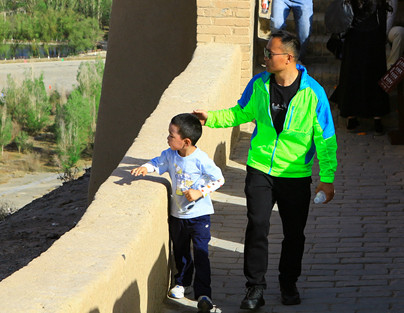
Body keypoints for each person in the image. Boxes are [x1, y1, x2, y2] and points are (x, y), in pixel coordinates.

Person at [193, 30, 337, 310]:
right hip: (260, 169)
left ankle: (288, 283)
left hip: (295, 175)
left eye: (270, 53)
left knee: (294, 233)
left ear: (289, 58)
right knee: (257, 226)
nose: (266, 57)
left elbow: (325, 139)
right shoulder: (259, 84)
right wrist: (210, 118)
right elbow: (241, 112)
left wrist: (327, 178)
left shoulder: (314, 93)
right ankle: (255, 287)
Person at [132, 114, 225, 312]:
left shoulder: (201, 159)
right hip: (178, 215)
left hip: (199, 216)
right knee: (181, 251)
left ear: (186, 141)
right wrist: (145, 168)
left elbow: (219, 179)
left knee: (200, 253)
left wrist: (200, 192)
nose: (168, 138)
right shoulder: (170, 155)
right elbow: (157, 162)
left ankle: (203, 293)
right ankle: (182, 283)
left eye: (171, 135)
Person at [331, 0, 391, 134]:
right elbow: (382, 17)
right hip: (374, 38)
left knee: (352, 76)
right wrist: (382, 39)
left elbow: (344, 12)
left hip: (353, 37)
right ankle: (377, 120)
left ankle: (351, 119)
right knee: (375, 77)